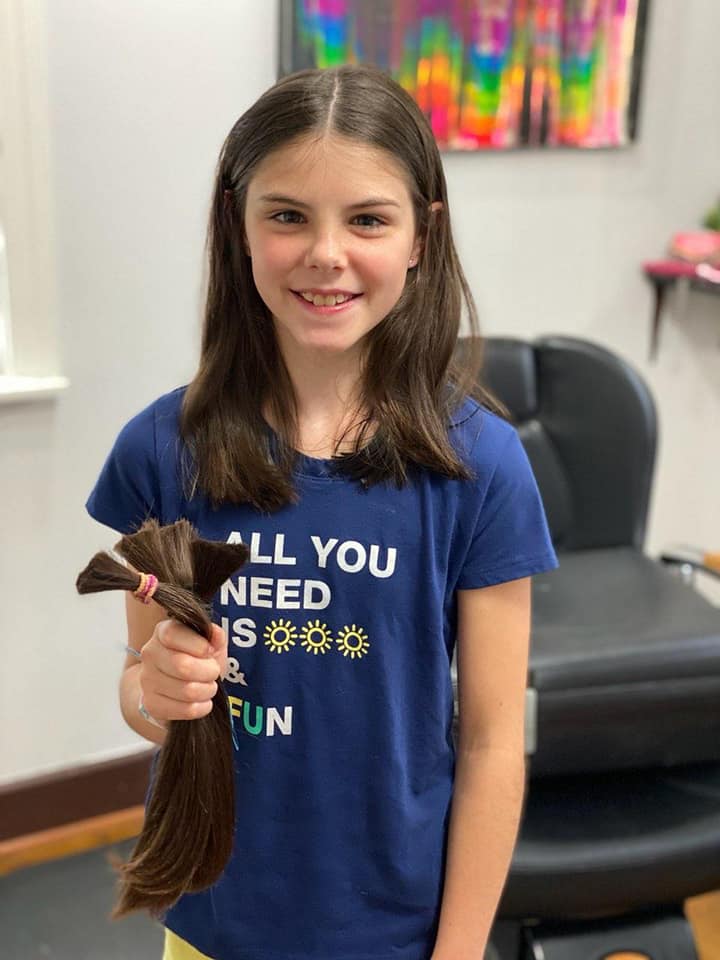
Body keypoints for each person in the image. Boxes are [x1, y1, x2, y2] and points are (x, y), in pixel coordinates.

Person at [86, 64, 558, 960]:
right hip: (212, 923)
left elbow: (494, 744)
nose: (326, 254)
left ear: (421, 237)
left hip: (395, 929)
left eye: (368, 219)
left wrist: (459, 952)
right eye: (288, 216)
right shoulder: (161, 450)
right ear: (239, 226)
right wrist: (151, 691)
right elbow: (145, 694)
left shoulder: (483, 467)